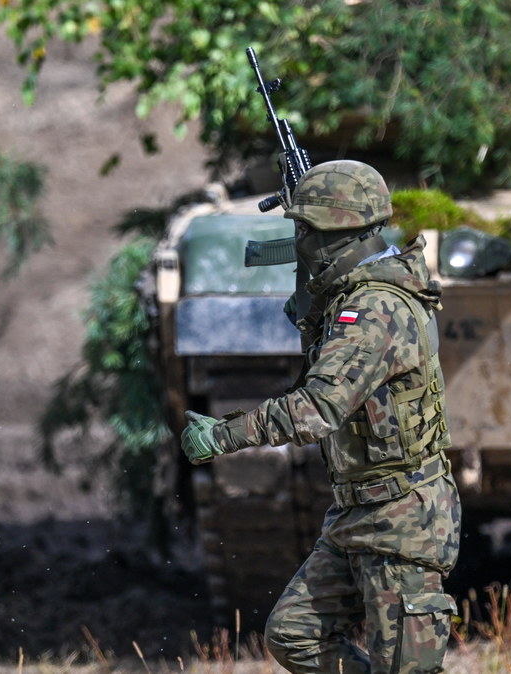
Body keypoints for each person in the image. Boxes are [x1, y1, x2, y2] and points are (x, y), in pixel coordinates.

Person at [179, 160, 461, 674]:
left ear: (337, 236)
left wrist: (223, 435)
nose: (298, 242)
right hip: (357, 512)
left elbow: (316, 408)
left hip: (402, 516)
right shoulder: (349, 301)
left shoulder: (374, 310)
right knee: (295, 636)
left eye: (304, 231)